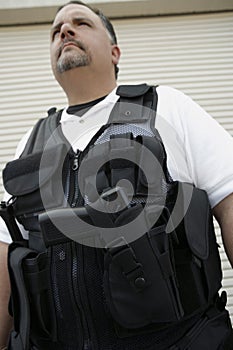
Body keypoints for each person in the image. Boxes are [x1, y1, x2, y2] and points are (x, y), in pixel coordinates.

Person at [0, 1, 233, 349]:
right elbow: (6, 253)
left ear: (114, 51)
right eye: (55, 30)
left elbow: (229, 200)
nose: (64, 30)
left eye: (81, 23)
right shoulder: (30, 144)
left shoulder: (166, 106)